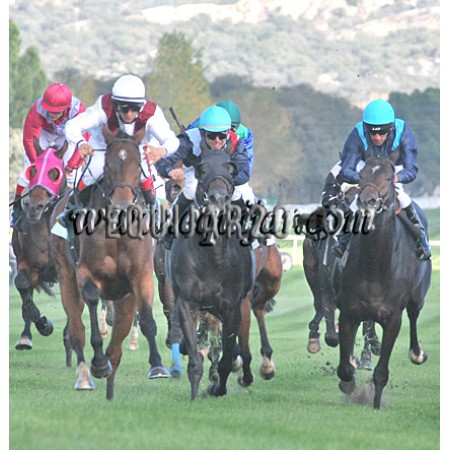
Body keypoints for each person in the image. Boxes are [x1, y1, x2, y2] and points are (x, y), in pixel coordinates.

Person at [51, 73, 179, 238]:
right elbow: (72, 126)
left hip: (135, 149)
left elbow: (172, 140)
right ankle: (70, 211)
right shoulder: (103, 107)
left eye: (135, 108)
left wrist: (162, 151)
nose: (129, 113)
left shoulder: (151, 113)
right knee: (91, 175)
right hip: (103, 147)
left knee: (144, 175)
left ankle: (153, 209)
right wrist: (81, 143)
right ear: (115, 103)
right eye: (124, 108)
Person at [326, 98, 431, 260]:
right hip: (368, 167)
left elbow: (411, 169)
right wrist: (363, 179)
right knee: (358, 200)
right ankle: (344, 238)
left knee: (401, 195)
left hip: (394, 167)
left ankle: (421, 238)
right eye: (372, 133)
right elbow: (346, 169)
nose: (377, 137)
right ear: (366, 128)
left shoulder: (403, 131)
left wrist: (397, 177)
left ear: (391, 128)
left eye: (382, 133)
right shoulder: (358, 132)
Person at [154, 105, 252, 248]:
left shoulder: (236, 142)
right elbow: (162, 161)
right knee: (190, 190)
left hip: (225, 177)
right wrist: (169, 171)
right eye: (212, 135)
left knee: (240, 193)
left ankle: (249, 232)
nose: (217, 140)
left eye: (222, 135)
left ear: (228, 132)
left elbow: (244, 172)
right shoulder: (188, 140)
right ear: (203, 132)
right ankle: (169, 230)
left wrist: (226, 180)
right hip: (197, 171)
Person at [10, 83, 87, 228]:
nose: (52, 114)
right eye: (49, 110)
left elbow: (82, 143)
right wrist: (37, 165)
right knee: (28, 172)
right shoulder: (37, 109)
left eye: (56, 112)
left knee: (74, 175)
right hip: (45, 133)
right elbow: (29, 140)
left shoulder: (78, 111)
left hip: (69, 134)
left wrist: (70, 167)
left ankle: (75, 212)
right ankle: (17, 211)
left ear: (66, 108)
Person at [186, 99, 255, 173]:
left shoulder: (245, 134)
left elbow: (246, 165)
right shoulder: (198, 126)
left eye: (232, 128)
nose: (229, 133)